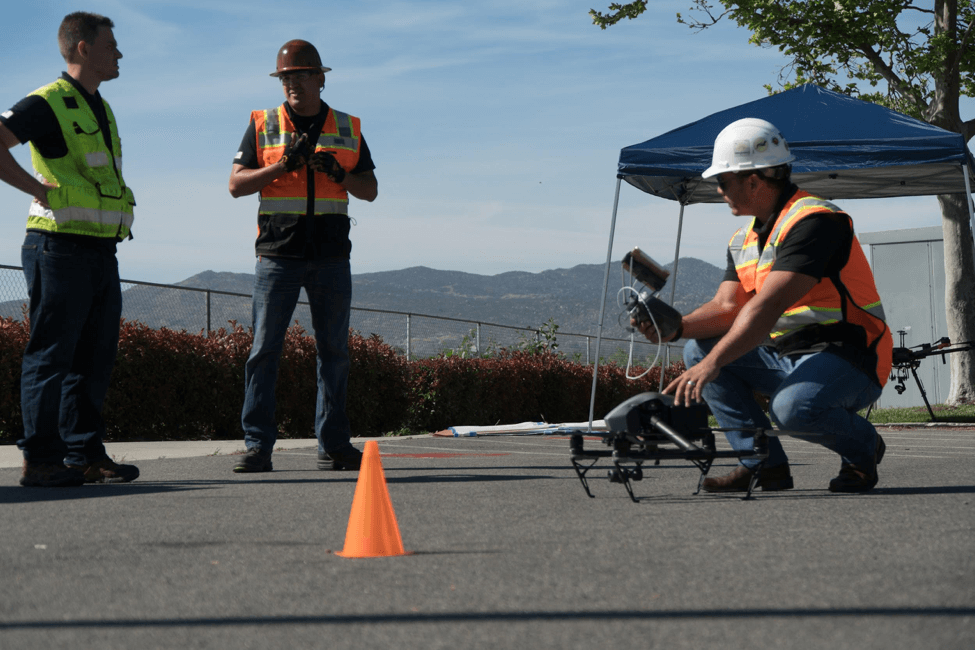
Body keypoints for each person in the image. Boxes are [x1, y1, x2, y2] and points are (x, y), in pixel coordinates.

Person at [635, 117, 892, 493]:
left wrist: (713, 364)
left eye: (723, 181)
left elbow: (764, 309)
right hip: (787, 353)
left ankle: (863, 449)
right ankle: (762, 464)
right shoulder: (743, 240)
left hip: (850, 355)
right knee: (697, 349)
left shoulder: (816, 221)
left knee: (791, 410)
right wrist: (677, 328)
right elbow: (727, 307)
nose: (720, 191)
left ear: (753, 180)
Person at [0, 12, 139, 487]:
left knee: (94, 356)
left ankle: (83, 454)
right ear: (84, 49)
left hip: (100, 249)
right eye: (111, 46)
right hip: (57, 247)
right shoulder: (48, 101)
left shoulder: (100, 105)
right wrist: (33, 189)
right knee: (52, 354)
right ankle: (40, 459)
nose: (118, 54)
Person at [229, 39, 378, 473]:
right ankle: (257, 446)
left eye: (300, 76)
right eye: (286, 78)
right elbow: (236, 185)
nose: (292, 84)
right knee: (263, 351)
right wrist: (280, 167)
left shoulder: (348, 127)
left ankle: (332, 444)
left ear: (320, 78)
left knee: (334, 352)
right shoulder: (263, 124)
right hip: (278, 255)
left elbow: (370, 190)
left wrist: (341, 175)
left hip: (331, 256)